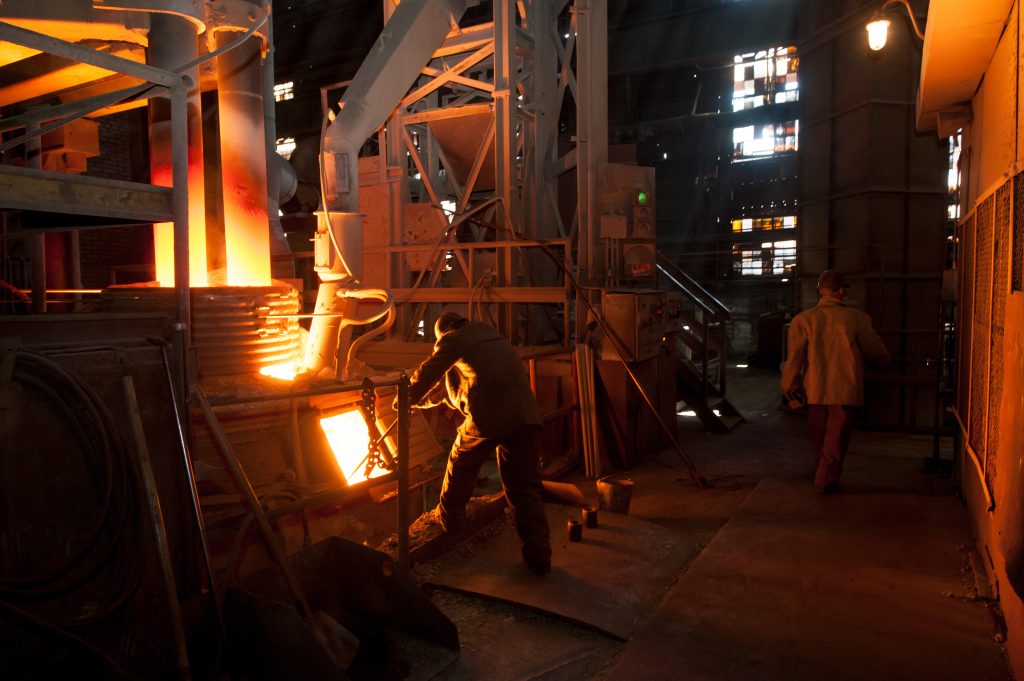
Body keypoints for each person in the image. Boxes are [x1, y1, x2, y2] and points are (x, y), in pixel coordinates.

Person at [403, 312, 552, 575]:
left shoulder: (453, 339)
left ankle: (451, 522)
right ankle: (538, 558)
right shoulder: (491, 337)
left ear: (445, 332)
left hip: (491, 415)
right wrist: (424, 401)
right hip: (527, 417)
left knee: (460, 460)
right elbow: (454, 389)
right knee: (525, 490)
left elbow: (429, 371)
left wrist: (406, 397)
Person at [781, 270, 890, 494]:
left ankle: (823, 473)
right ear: (841, 292)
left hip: (815, 387)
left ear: (821, 291)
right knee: (836, 436)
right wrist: (886, 363)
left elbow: (794, 358)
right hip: (844, 387)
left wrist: (789, 387)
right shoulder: (856, 318)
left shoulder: (803, 320)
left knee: (818, 433)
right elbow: (875, 350)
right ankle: (825, 478)